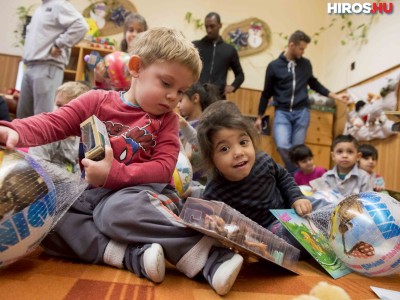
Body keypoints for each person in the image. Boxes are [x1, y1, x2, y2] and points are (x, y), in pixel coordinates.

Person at [0, 27, 243, 296]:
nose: (174, 96)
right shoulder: (95, 101)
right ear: (137, 67)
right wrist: (16, 130)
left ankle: (209, 255)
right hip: (93, 197)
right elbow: (53, 123)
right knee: (50, 217)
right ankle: (128, 254)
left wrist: (112, 174)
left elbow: (163, 170)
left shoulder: (167, 120)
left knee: (114, 211)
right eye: (166, 84)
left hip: (144, 197)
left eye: (181, 90)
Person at [196, 102, 313, 256]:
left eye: (243, 142)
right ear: (212, 159)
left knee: (319, 205)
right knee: (284, 237)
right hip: (266, 233)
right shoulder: (214, 190)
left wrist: (297, 198)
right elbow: (211, 220)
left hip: (288, 211)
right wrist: (216, 224)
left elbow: (284, 178)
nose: (238, 152)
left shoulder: (263, 160)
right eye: (224, 149)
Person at [255, 30, 348, 173]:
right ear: (292, 45)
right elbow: (266, 92)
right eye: (301, 48)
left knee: (298, 150)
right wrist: (260, 116)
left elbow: (314, 84)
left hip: (302, 112)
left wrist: (335, 96)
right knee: (282, 145)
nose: (303, 52)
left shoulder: (305, 64)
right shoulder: (274, 66)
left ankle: (293, 180)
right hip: (282, 112)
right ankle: (296, 175)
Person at [17, 0, 88, 118]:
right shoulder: (39, 9)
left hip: (47, 66)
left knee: (41, 119)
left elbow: (81, 26)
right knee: (22, 118)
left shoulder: (59, 5)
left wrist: (59, 44)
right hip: (30, 66)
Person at [29, 81, 90, 173]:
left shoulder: (84, 140)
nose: (59, 112)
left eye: (67, 109)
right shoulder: (45, 133)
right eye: (58, 105)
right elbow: (36, 168)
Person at [193, 12, 245, 99]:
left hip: (218, 98)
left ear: (220, 25)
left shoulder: (229, 50)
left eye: (212, 26)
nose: (209, 30)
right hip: (197, 97)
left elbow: (240, 75)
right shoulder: (196, 46)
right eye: (206, 26)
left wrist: (233, 86)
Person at [94, 13, 148, 90]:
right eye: (131, 30)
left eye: (139, 31)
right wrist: (98, 79)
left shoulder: (146, 61)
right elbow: (102, 89)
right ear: (125, 33)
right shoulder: (115, 58)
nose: (134, 34)